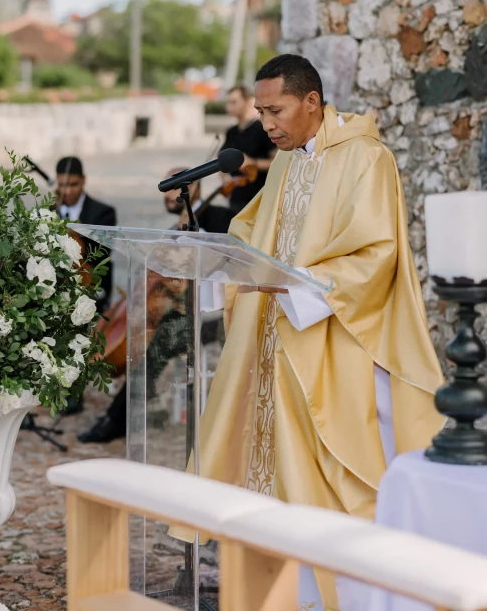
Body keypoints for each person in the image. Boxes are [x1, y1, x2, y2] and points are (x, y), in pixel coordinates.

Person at [169, 54, 444, 610]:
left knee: (335, 476)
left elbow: (377, 255)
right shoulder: (290, 162)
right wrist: (209, 255)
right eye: (260, 111)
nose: (266, 124)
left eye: (276, 110)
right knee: (273, 470)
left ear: (312, 102)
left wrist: (296, 290)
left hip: (332, 342)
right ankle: (285, 592)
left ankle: (343, 594)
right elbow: (253, 232)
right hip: (276, 345)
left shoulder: (368, 159)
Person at [77, 167, 226, 444]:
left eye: (175, 187)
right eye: (166, 188)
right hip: (177, 311)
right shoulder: (172, 229)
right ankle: (119, 409)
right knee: (147, 339)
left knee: (157, 345)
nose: (168, 194)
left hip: (211, 315)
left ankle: (117, 419)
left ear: (194, 189)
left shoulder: (218, 216)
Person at [55, 156, 116, 314]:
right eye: (62, 185)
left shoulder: (103, 213)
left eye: (73, 184)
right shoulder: (48, 211)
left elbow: (104, 253)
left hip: (91, 286)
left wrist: (80, 233)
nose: (67, 191)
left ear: (83, 180)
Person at [220, 85, 276, 215]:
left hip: (259, 196)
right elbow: (221, 161)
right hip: (236, 197)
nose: (229, 106)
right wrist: (225, 181)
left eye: (234, 102)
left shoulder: (262, 129)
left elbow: (276, 162)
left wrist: (253, 162)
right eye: (228, 102)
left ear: (248, 101)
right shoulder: (231, 132)